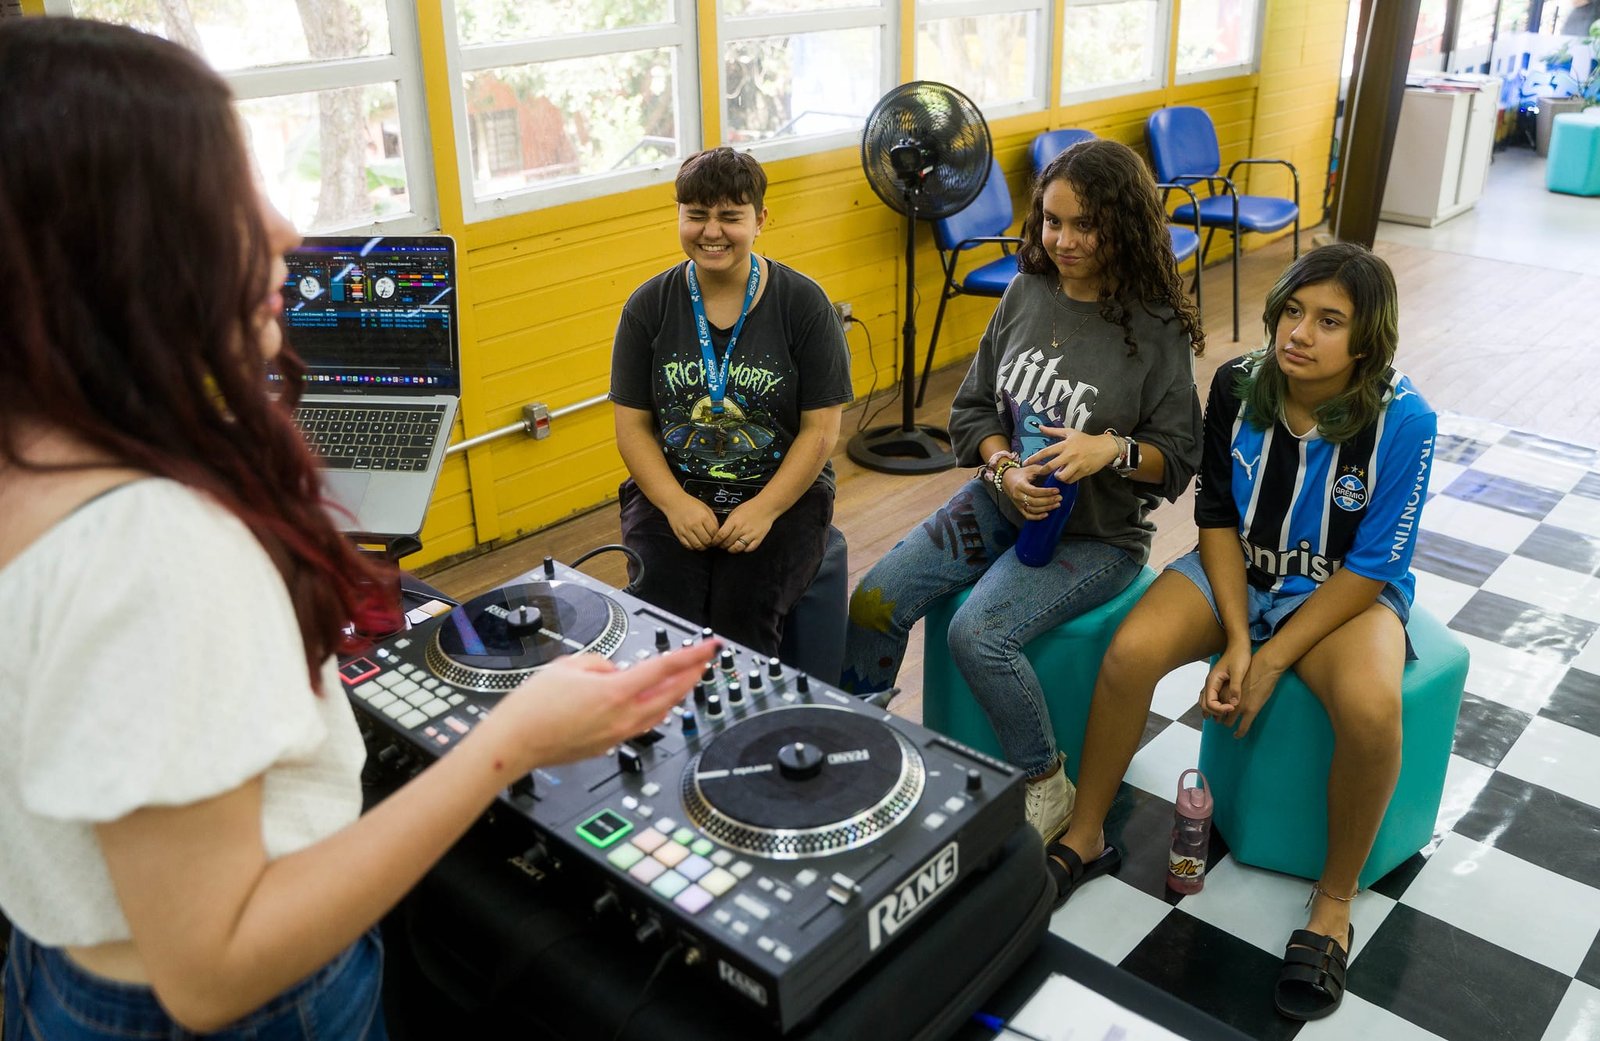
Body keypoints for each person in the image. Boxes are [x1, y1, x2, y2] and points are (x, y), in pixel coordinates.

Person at [0, 19, 710, 1040]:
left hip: (57, 969)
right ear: (119, 246)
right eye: (227, 192)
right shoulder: (147, 545)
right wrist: (509, 739)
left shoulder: (35, 446)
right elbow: (215, 970)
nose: (285, 232)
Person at [1054, 243, 1435, 1022]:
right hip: (1239, 570)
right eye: (1293, 310)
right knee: (1130, 651)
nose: (1300, 332)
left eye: (1329, 321)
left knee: (1370, 709)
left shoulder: (1407, 418)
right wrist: (1238, 637)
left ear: (1366, 341)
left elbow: (1371, 566)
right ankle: (1087, 833)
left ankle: (1332, 904)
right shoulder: (1236, 380)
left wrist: (1271, 660)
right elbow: (1217, 517)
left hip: (1342, 594)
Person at [840, 138, 1204, 845]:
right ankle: (867, 743)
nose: (1063, 240)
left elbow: (1181, 460)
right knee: (876, 598)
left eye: (1084, 226)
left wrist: (1111, 451)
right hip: (1002, 499)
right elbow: (973, 408)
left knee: (977, 634)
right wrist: (1004, 467)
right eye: (1052, 221)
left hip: (1098, 536)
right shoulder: (1025, 291)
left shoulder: (1155, 328)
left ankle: (1046, 783)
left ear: (1124, 226)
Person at [610, 147, 853, 657]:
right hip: (672, 490)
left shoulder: (804, 304)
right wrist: (674, 503)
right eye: (696, 215)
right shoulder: (647, 306)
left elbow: (821, 431)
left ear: (761, 220)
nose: (711, 231)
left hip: (781, 493)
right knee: (662, 612)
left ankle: (746, 730)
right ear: (678, 214)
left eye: (730, 216)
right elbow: (632, 427)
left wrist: (765, 508)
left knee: (742, 613)